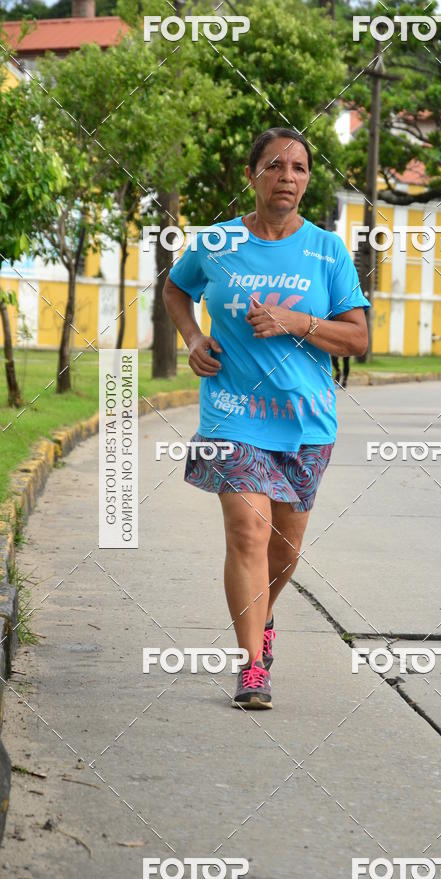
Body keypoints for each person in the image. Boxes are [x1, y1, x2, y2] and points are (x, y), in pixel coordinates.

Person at [162, 127, 370, 710]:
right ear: (251, 175)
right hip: (232, 415)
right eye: (275, 166)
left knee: (284, 549)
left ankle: (264, 617)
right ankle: (252, 665)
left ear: (307, 179)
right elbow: (176, 290)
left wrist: (292, 320)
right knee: (247, 531)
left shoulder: (327, 251)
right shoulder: (217, 243)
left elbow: (357, 339)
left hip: (305, 420)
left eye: (299, 168)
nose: (288, 177)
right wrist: (193, 337)